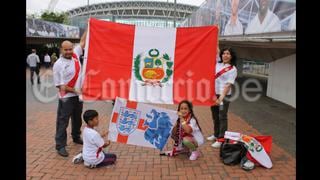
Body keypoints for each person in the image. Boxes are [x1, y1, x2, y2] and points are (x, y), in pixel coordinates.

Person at [53, 30, 87, 157]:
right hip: (66, 98)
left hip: (78, 96)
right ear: (61, 50)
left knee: (77, 119)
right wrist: (75, 90)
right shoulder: (58, 65)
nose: (68, 52)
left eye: (70, 49)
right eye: (66, 50)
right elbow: (60, 86)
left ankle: (76, 136)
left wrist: (89, 24)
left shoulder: (75, 55)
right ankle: (60, 145)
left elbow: (83, 42)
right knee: (63, 121)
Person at [207, 47, 238, 148]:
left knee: (222, 116)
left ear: (231, 56)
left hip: (224, 96)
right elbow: (216, 49)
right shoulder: (218, 64)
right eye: (224, 53)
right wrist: (215, 32)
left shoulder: (232, 69)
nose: (225, 55)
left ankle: (221, 139)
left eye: (228, 53)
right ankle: (216, 134)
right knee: (215, 116)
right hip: (213, 94)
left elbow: (228, 85)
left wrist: (220, 98)